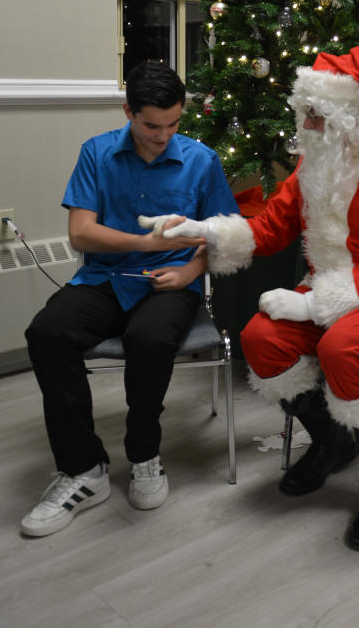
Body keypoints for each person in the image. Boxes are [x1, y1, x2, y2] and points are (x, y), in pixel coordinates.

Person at [145, 43, 359, 551]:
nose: (306, 125)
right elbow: (272, 226)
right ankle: (333, 440)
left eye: (317, 114)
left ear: (350, 114)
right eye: (305, 112)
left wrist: (315, 305)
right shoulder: (319, 157)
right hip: (339, 288)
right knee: (261, 338)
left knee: (345, 347)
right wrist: (203, 230)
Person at [21, 61, 239, 537]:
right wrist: (146, 243)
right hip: (106, 277)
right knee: (46, 333)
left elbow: (225, 235)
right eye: (151, 125)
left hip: (171, 281)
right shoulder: (96, 152)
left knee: (149, 339)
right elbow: (80, 233)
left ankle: (144, 455)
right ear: (129, 112)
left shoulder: (201, 160)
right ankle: (84, 469)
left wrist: (189, 272)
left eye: (173, 124)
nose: (163, 136)